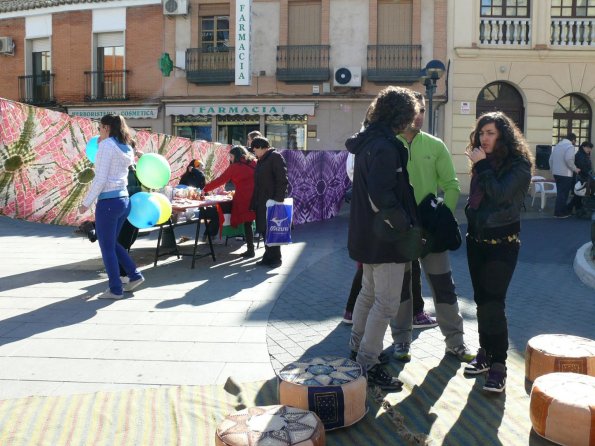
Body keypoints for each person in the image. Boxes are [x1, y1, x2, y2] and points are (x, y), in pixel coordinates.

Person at [390, 92, 475, 363]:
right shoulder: (389, 145)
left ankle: (456, 342)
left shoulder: (435, 145)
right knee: (401, 289)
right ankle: (402, 341)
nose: (419, 116)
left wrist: (440, 220)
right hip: (400, 230)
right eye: (414, 110)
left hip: (430, 230)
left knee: (443, 286)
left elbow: (451, 185)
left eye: (423, 110)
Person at [347, 86, 420, 390]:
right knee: (387, 303)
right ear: (400, 115)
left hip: (367, 234)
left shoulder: (368, 143)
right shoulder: (387, 147)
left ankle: (356, 349)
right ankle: (368, 362)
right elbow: (382, 195)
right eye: (411, 115)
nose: (413, 122)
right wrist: (404, 225)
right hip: (386, 238)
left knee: (368, 294)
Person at [463, 111, 532, 393]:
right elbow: (478, 201)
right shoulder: (485, 164)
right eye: (481, 133)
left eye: (490, 133)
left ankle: (499, 365)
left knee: (494, 303)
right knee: (481, 301)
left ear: (503, 135)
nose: (484, 138)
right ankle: (485, 353)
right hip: (477, 241)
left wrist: (482, 167)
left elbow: (501, 194)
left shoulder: (519, 165)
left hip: (502, 244)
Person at [78, 114, 145, 299]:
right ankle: (134, 275)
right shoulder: (126, 146)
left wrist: (86, 203)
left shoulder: (106, 146)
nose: (98, 132)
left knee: (106, 247)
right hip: (124, 200)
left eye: (99, 128)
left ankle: (115, 289)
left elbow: (100, 179)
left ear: (106, 127)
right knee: (112, 244)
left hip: (108, 202)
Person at [204, 146, 257, 257]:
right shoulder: (254, 162)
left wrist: (205, 189)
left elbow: (220, 180)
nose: (230, 159)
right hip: (257, 197)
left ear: (236, 156)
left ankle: (251, 250)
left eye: (231, 156)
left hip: (244, 198)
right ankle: (266, 251)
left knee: (247, 224)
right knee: (254, 223)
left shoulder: (235, 167)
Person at [250, 136, 288, 268]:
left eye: (255, 149)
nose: (253, 151)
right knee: (264, 230)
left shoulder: (275, 157)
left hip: (272, 201)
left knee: (273, 230)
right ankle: (268, 256)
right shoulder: (261, 160)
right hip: (262, 202)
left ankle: (276, 258)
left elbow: (282, 179)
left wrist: (278, 200)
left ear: (261, 147)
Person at [179, 159, 219, 241]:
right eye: (202, 167)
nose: (203, 169)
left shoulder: (187, 176)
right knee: (217, 213)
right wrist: (194, 170)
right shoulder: (197, 177)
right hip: (193, 209)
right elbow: (202, 187)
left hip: (193, 208)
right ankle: (209, 236)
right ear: (195, 168)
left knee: (216, 211)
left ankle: (207, 236)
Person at [549, 133, 578, 218]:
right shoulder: (570, 147)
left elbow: (550, 159)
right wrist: (575, 169)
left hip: (556, 173)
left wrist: (553, 170)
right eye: (575, 141)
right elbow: (569, 159)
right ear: (573, 140)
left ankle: (561, 211)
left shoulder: (558, 145)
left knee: (560, 193)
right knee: (563, 194)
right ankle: (559, 213)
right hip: (566, 174)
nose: (575, 143)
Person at [569, 141, 594, 215]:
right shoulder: (580, 155)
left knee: (579, 194)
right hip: (580, 177)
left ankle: (576, 209)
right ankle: (570, 208)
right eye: (588, 147)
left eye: (590, 148)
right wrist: (589, 174)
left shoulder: (584, 154)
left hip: (583, 177)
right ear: (583, 147)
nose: (589, 150)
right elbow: (582, 167)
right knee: (579, 193)